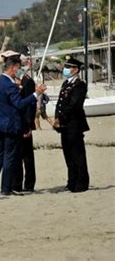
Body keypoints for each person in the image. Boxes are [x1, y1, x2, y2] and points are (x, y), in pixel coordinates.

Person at [0, 54, 46, 196]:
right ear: (12, 68)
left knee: (0, 156)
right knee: (9, 157)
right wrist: (35, 94)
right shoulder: (9, 85)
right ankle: (6, 188)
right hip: (10, 125)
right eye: (18, 68)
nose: (19, 71)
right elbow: (19, 104)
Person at [53, 57, 90, 193]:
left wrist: (62, 117)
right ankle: (71, 181)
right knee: (68, 154)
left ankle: (82, 182)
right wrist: (57, 117)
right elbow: (60, 103)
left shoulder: (80, 85)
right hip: (64, 125)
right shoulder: (66, 84)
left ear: (75, 70)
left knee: (77, 154)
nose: (66, 69)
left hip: (74, 123)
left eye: (69, 67)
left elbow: (75, 104)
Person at [13, 67, 37, 192]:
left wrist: (28, 125)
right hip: (18, 123)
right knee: (19, 154)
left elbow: (30, 105)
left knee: (27, 156)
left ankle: (29, 184)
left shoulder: (28, 82)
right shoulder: (17, 82)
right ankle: (18, 183)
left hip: (25, 123)